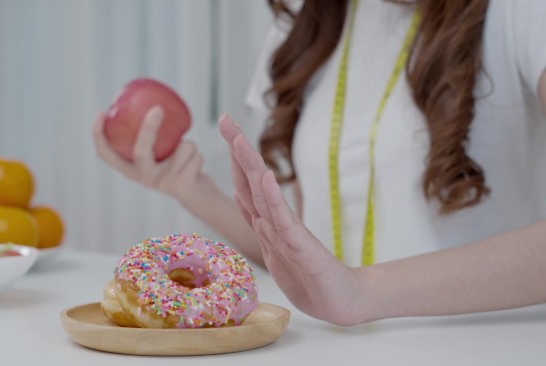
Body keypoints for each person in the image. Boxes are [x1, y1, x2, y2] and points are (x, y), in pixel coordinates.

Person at [93, 0, 546, 325]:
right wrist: (190, 188)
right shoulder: (304, 28)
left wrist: (367, 291)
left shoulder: (519, 13)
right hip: (335, 361)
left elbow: (347, 289)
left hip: (482, 358)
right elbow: (308, 261)